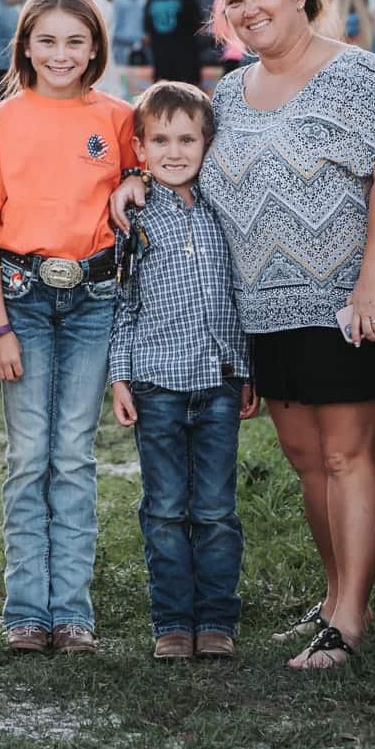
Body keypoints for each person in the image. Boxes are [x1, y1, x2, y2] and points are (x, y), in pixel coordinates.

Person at [113, 0, 375, 673]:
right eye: (233, 0)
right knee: (307, 458)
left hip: (348, 300)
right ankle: (338, 597)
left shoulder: (358, 75)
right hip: (261, 308)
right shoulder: (226, 95)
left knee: (346, 454)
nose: (247, 10)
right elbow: (175, 161)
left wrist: (371, 278)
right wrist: (131, 180)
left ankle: (347, 622)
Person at [0, 0, 136, 653]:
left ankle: (72, 613)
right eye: (47, 40)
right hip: (22, 298)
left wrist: (133, 178)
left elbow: (147, 176)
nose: (61, 54)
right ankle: (26, 610)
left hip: (92, 301)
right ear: (25, 45)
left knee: (73, 458)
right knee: (28, 456)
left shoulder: (117, 118)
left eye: (75, 41)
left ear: (95, 48)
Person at [109, 82, 258, 660]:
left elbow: (242, 296)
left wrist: (246, 369)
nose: (175, 151)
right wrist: (120, 376)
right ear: (140, 150)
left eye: (188, 139)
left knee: (217, 509)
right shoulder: (135, 216)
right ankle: (172, 621)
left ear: (207, 143)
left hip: (219, 380)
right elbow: (123, 302)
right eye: (161, 140)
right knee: (166, 507)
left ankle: (217, 620)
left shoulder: (225, 209)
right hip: (156, 382)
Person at [144, 0, 203, 85]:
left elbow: (147, 36)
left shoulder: (151, 0)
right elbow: (199, 27)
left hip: (161, 69)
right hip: (187, 69)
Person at [111, 0, 147, 68]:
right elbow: (113, 33)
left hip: (140, 56)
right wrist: (140, 38)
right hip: (120, 57)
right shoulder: (116, 0)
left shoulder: (143, 1)